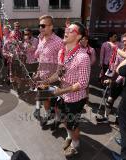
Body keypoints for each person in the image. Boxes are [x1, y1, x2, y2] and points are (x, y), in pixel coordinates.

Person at [40, 22, 90, 157]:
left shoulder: (83, 57)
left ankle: (75, 144)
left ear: (79, 36)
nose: (66, 31)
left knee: (73, 124)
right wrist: (45, 81)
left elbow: (83, 83)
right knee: (63, 118)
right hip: (63, 95)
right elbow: (59, 73)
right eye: (66, 29)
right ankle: (69, 136)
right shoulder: (62, 52)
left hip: (75, 98)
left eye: (71, 30)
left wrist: (60, 91)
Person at [96, 32, 126, 123]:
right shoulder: (120, 51)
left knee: (124, 103)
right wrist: (110, 78)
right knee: (110, 99)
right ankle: (106, 117)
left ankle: (119, 120)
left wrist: (116, 48)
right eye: (124, 41)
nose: (125, 43)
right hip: (119, 79)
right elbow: (115, 66)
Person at [33, 15, 64, 121]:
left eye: (43, 25)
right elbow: (41, 58)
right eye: (39, 25)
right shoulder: (41, 40)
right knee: (45, 99)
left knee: (54, 101)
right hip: (42, 77)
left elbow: (63, 62)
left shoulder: (59, 42)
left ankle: (56, 118)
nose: (40, 28)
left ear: (51, 26)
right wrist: (38, 72)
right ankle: (48, 114)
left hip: (53, 78)